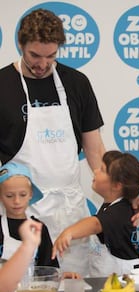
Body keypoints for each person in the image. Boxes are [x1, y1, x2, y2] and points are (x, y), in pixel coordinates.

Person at [0, 8, 106, 275]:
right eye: (35, 55)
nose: (43, 64)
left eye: (51, 56)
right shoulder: (2, 84)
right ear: (20, 45)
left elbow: (95, 150)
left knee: (74, 285)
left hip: (70, 212)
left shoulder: (77, 83)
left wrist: (119, 194)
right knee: (24, 288)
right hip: (21, 210)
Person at [52, 150, 139, 277]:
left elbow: (95, 224)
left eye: (102, 170)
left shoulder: (119, 211)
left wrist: (69, 233)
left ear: (117, 185)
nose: (96, 171)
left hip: (124, 279)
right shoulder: (113, 206)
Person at [0, 162, 58, 268]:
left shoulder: (39, 228)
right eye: (9, 196)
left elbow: (49, 269)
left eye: (23, 195)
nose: (17, 201)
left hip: (33, 284)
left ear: (31, 194)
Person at [0, 218, 42, 292]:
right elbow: (3, 291)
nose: (16, 204)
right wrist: (28, 245)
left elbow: (48, 269)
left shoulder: (38, 228)